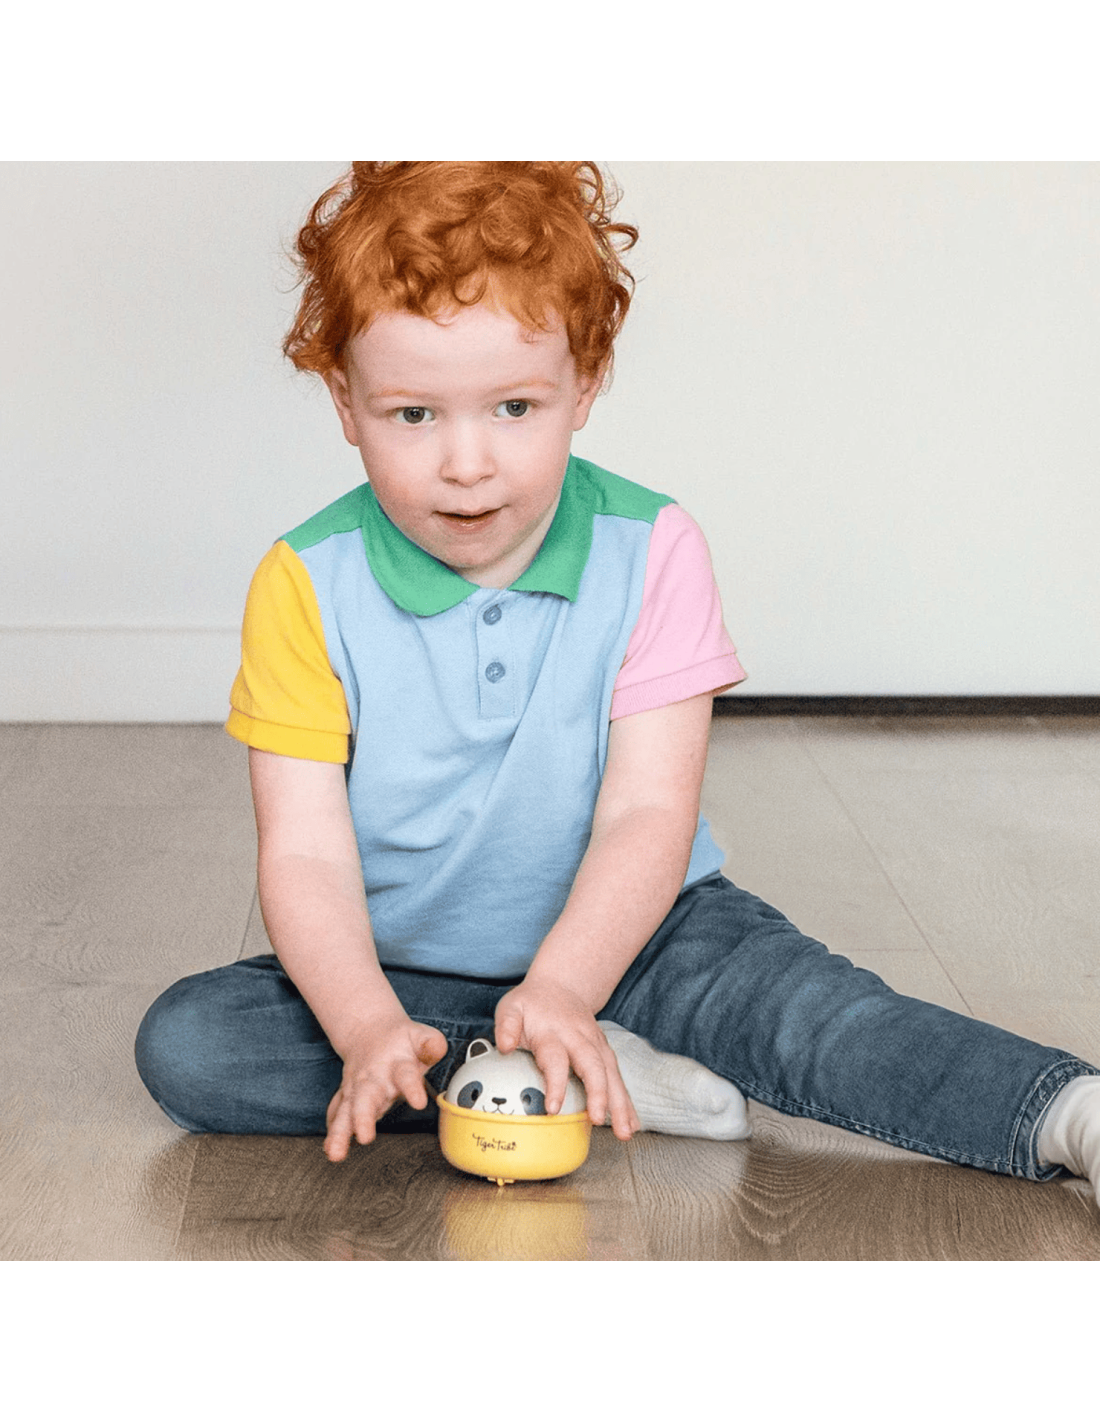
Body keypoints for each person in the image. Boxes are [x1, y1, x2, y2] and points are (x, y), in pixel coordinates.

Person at [135, 162, 1100, 1206]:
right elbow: (306, 854)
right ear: (345, 403)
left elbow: (648, 813)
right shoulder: (303, 581)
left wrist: (564, 982)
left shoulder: (654, 549)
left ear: (584, 383)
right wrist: (366, 1025)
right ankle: (585, 1065)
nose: (466, 462)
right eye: (412, 415)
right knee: (194, 1043)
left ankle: (1063, 1110)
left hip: (648, 936)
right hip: (406, 964)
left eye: (513, 406)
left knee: (814, 1018)